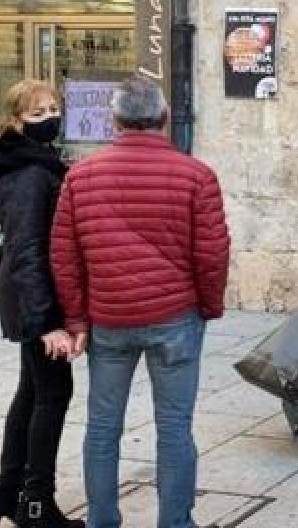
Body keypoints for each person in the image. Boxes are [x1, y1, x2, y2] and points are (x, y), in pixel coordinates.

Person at [50, 77, 230, 528]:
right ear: (164, 119)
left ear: (114, 120)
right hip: (175, 317)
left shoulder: (80, 177)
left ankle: (102, 521)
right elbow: (212, 253)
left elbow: (64, 255)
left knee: (103, 425)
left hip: (109, 319)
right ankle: (175, 522)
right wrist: (208, 306)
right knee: (174, 426)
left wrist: (75, 316)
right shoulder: (196, 175)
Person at [0, 79, 83, 528]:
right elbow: (27, 251)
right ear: (15, 120)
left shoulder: (30, 162)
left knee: (32, 391)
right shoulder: (30, 173)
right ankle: (36, 503)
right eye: (37, 114)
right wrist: (47, 323)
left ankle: (7, 493)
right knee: (54, 392)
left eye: (53, 109)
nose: (50, 119)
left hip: (28, 293)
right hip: (33, 297)